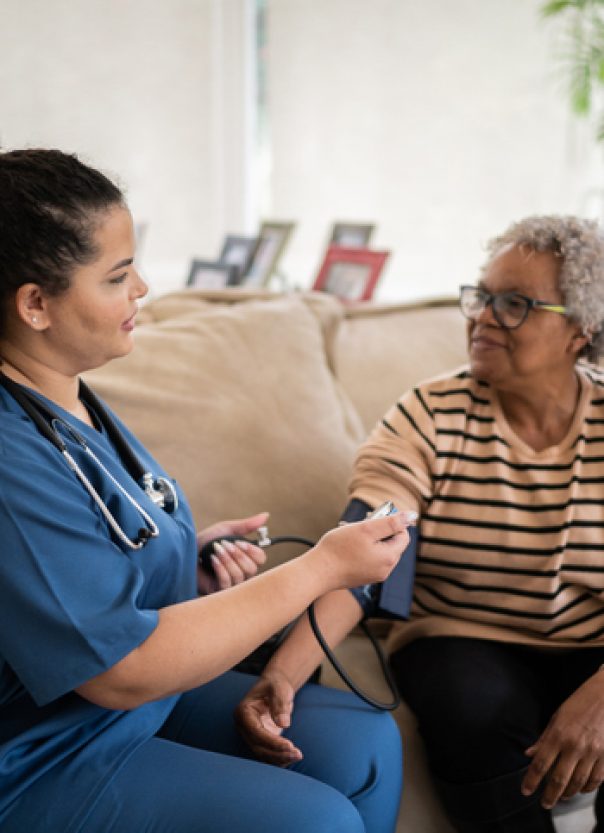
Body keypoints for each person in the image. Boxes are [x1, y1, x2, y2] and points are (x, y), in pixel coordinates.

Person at [0, 148, 411, 833]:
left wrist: (184, 563)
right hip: (41, 749)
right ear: (36, 304)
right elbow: (120, 668)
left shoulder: (67, 396)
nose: (143, 290)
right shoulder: (9, 452)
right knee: (316, 821)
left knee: (365, 746)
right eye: (118, 275)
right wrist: (322, 568)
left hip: (124, 709)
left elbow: (87, 563)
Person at [237, 215, 604, 833]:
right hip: (463, 636)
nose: (483, 317)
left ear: (581, 331)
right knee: (469, 703)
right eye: (481, 296)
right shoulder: (429, 414)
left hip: (592, 645)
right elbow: (364, 553)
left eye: (515, 304)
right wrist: (281, 676)